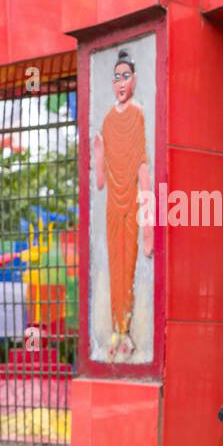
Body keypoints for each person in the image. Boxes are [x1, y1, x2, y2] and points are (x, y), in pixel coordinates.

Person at [92, 49, 151, 361]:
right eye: (116, 77)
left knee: (129, 265)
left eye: (125, 76)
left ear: (135, 79)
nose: (120, 83)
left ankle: (126, 328)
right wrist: (99, 152)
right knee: (115, 265)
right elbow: (100, 181)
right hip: (112, 208)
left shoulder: (139, 114)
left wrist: (149, 218)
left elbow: (143, 167)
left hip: (132, 203)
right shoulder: (106, 119)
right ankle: (117, 328)